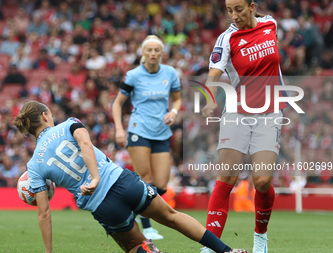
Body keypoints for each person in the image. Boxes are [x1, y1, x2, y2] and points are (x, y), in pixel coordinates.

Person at [13, 100, 248, 253]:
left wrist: (49, 251)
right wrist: (95, 177)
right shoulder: (69, 124)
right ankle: (227, 252)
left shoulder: (34, 165)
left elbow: (44, 213)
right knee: (172, 217)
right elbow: (85, 141)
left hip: (102, 206)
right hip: (122, 182)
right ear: (45, 116)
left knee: (136, 246)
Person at [200, 0, 288, 253]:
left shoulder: (270, 24)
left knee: (261, 181)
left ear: (252, 6)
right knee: (226, 178)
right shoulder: (226, 39)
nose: (233, 15)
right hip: (237, 112)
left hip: (270, 112)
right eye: (229, 10)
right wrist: (208, 100)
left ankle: (260, 236)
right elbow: (214, 73)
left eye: (238, 9)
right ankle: (209, 247)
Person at [112, 35, 181, 240]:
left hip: (161, 133)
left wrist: (174, 113)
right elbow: (117, 104)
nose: (152, 53)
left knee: (161, 184)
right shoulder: (133, 75)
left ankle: (132, 212)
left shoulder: (170, 73)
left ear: (162, 53)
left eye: (156, 50)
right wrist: (119, 129)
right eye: (149, 50)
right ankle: (148, 227)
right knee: (146, 179)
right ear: (143, 52)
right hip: (138, 130)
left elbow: (177, 100)